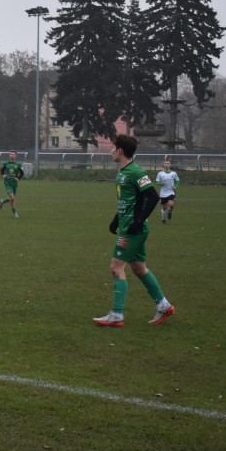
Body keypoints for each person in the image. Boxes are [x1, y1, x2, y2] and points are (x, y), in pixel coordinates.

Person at [94, 134, 175, 327]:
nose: (111, 150)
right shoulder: (124, 172)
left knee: (116, 267)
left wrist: (138, 222)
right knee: (139, 268)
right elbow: (129, 200)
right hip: (128, 225)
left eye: (113, 147)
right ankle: (163, 305)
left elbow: (152, 197)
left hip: (133, 229)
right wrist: (116, 219)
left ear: (120, 150)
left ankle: (117, 314)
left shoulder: (135, 171)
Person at [0, 150, 23, 219]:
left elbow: (22, 173)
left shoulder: (18, 164)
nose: (11, 155)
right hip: (7, 182)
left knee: (12, 199)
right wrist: (3, 175)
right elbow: (2, 170)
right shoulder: (6, 163)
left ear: (15, 155)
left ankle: (2, 201)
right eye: (10, 154)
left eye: (13, 154)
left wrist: (18, 178)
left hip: (14, 183)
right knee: (12, 198)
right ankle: (15, 213)